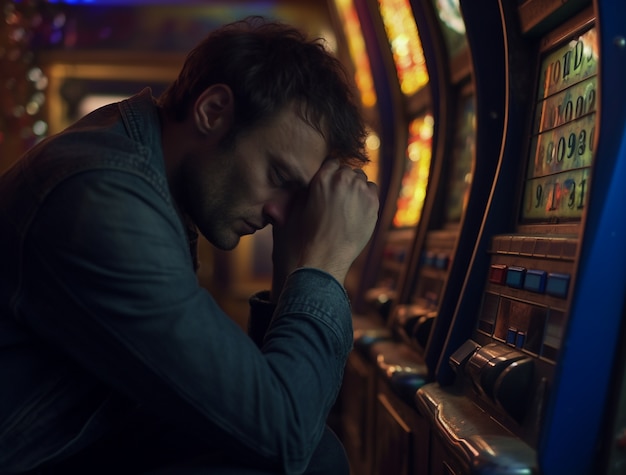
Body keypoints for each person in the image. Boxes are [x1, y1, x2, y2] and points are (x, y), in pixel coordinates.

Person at [0, 16, 379, 475]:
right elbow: (284, 434)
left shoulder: (143, 171)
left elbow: (255, 403)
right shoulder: (103, 198)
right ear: (213, 110)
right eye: (278, 177)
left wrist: (292, 264)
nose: (280, 212)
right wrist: (326, 266)